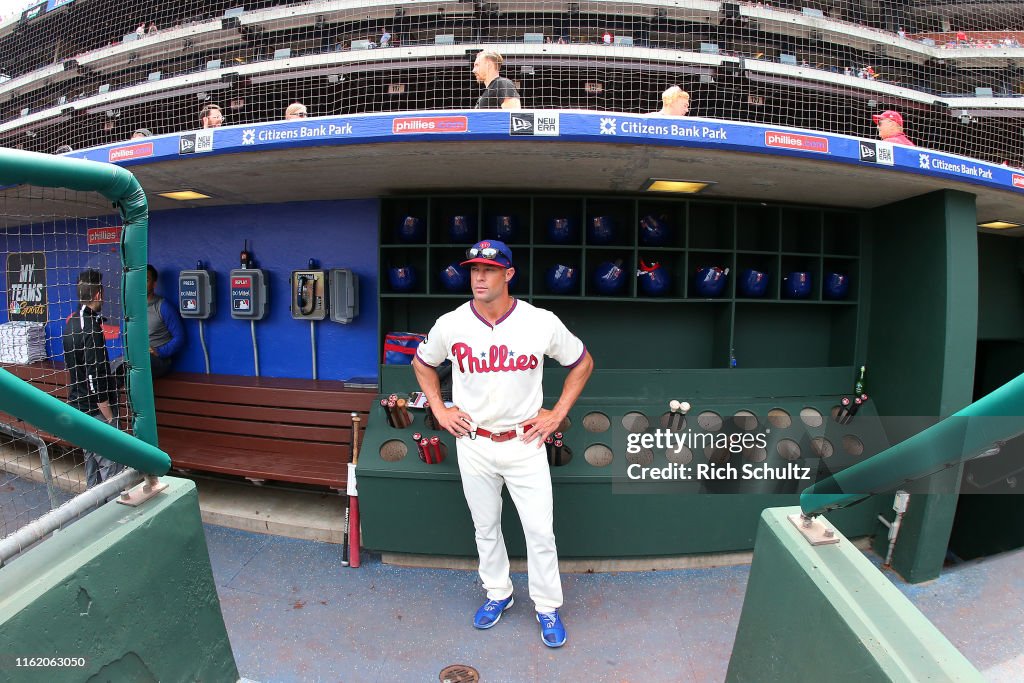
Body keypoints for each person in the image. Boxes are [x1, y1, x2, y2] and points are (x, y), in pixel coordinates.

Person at [413, 240, 594, 649]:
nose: (479, 277)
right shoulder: (452, 322)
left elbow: (582, 363)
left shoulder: (539, 321)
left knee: (539, 531)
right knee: (485, 527)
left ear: (508, 274)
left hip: (524, 441)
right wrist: (441, 412)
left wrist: (555, 413)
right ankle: (499, 593)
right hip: (474, 441)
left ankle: (547, 605)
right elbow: (422, 364)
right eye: (474, 269)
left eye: (489, 270)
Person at [62, 269, 122, 488]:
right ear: (99, 294)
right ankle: (114, 518)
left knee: (92, 472)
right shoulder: (91, 328)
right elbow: (93, 375)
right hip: (95, 411)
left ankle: (93, 513)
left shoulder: (71, 323)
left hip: (79, 409)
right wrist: (108, 416)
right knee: (112, 468)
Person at [146, 265, 185, 378]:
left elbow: (180, 337)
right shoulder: (131, 308)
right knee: (113, 366)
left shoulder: (163, 306)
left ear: (154, 284)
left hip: (159, 361)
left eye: (146, 280)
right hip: (135, 360)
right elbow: (123, 336)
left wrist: (160, 351)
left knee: (140, 363)